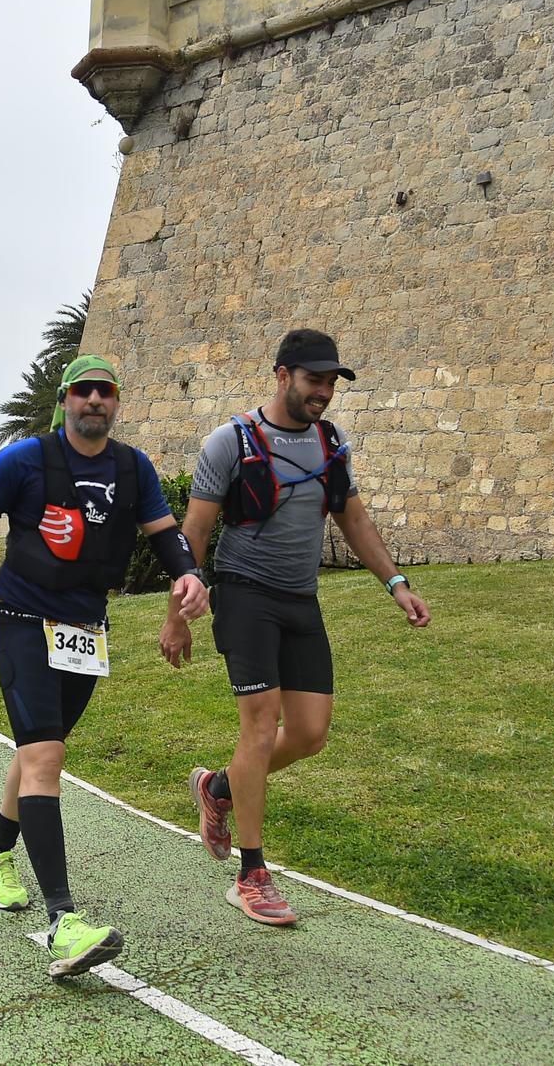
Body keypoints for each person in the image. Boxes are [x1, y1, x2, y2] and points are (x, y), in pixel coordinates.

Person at [0, 356, 207, 978]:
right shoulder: (25, 460)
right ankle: (64, 921)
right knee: (45, 757)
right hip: (21, 623)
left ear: (116, 401)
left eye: (106, 391)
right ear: (65, 399)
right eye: (83, 390)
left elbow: (167, 536)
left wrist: (189, 575)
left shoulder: (132, 468)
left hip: (85, 634)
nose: (94, 399)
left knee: (37, 750)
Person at [164, 329, 431, 927]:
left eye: (332, 382)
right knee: (261, 726)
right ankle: (252, 875)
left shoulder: (332, 442)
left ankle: (219, 791)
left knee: (310, 733)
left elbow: (354, 518)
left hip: (300, 600)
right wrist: (175, 615)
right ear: (282, 375)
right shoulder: (229, 442)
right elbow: (196, 531)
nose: (325, 392)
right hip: (243, 595)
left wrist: (396, 584)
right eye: (315, 380)